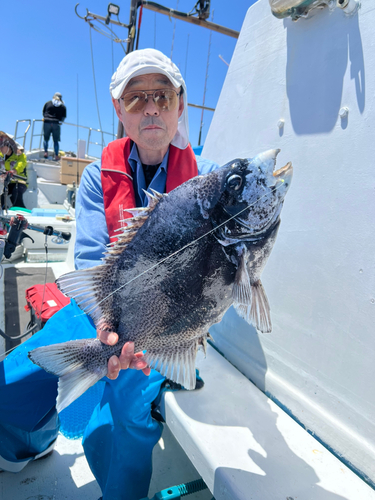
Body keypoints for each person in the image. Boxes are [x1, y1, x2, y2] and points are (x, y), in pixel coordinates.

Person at [0, 49, 218, 500]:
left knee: (121, 405)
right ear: (119, 109)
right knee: (15, 379)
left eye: (162, 95)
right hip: (103, 311)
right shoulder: (100, 175)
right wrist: (105, 328)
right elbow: (92, 260)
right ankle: (26, 444)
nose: (152, 107)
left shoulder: (210, 182)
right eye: (137, 98)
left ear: (181, 105)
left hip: (171, 326)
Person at [0, 131, 28, 209]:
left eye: (2, 146)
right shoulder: (1, 156)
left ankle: (21, 214)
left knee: (16, 193)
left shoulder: (20, 156)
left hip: (19, 182)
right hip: (7, 182)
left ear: (8, 145)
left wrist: (14, 171)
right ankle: (4, 214)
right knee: (2, 194)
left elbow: (20, 165)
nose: (0, 149)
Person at [42, 92, 67, 161]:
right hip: (56, 123)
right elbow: (63, 116)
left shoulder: (48, 103)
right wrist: (60, 121)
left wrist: (46, 118)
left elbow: (44, 112)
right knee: (56, 141)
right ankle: (56, 155)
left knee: (46, 139)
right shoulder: (62, 106)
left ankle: (46, 152)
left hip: (47, 122)